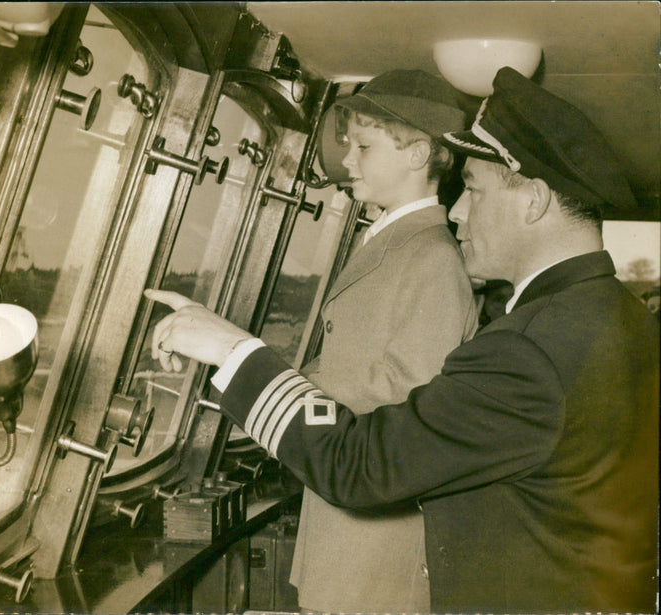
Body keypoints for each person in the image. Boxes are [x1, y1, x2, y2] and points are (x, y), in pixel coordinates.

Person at [145, 67, 659, 613]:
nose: (458, 211)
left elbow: (362, 466)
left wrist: (232, 350)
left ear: (531, 200)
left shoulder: (529, 350)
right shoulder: (619, 317)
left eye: (476, 192)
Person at [287, 70, 477, 614]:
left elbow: (409, 400)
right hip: (346, 519)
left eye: (364, 146)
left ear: (419, 155)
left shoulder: (433, 257)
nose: (347, 160)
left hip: (376, 539)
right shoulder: (388, 240)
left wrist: (277, 388)